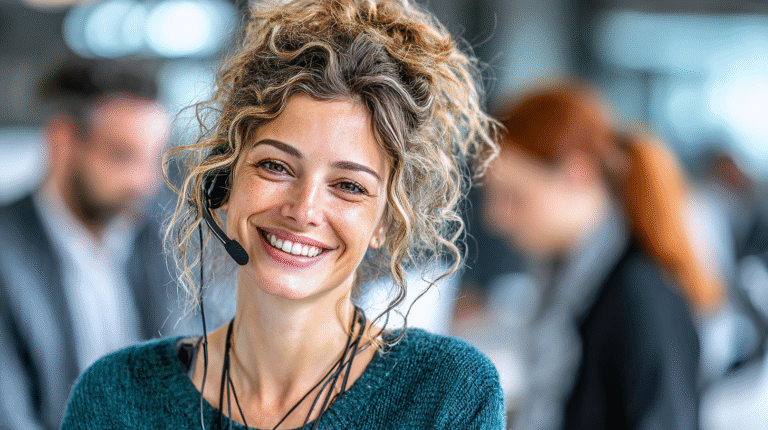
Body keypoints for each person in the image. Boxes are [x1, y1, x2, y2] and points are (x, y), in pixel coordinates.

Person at [62, 1, 505, 429]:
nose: (304, 209)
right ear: (223, 182)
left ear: (385, 221)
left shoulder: (449, 394)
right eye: (276, 166)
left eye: (349, 186)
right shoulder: (116, 396)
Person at [482, 83, 717, 429]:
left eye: (515, 197)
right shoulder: (569, 282)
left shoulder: (640, 294)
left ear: (579, 174)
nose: (494, 218)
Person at [0, 59, 174, 429]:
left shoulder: (159, 236)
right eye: (122, 156)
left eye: (153, 159)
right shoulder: (6, 252)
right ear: (62, 142)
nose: (144, 183)